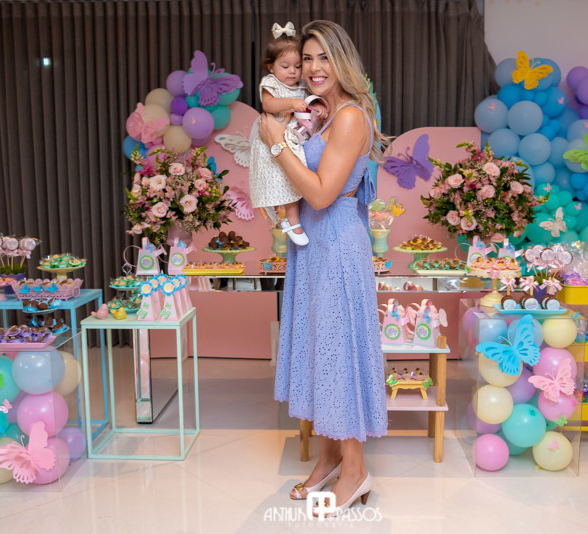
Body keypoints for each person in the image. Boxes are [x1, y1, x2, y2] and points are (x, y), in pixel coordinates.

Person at [260, 19, 390, 518]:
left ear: (342, 61)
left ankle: (355, 472)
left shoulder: (350, 117)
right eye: (307, 58)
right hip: (313, 246)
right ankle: (329, 458)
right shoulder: (321, 112)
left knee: (339, 353)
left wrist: (276, 143)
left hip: (335, 244)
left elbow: (319, 194)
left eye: (324, 58)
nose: (314, 68)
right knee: (320, 350)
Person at [248, 21, 329, 246]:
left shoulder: (303, 86)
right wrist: (291, 103)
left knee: (297, 179)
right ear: (271, 67)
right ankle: (293, 222)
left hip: (295, 139)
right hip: (273, 138)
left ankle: (294, 220)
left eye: (297, 66)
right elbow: (268, 104)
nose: (292, 71)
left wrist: (318, 106)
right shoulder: (271, 83)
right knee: (283, 179)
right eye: (285, 66)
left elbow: (310, 104)